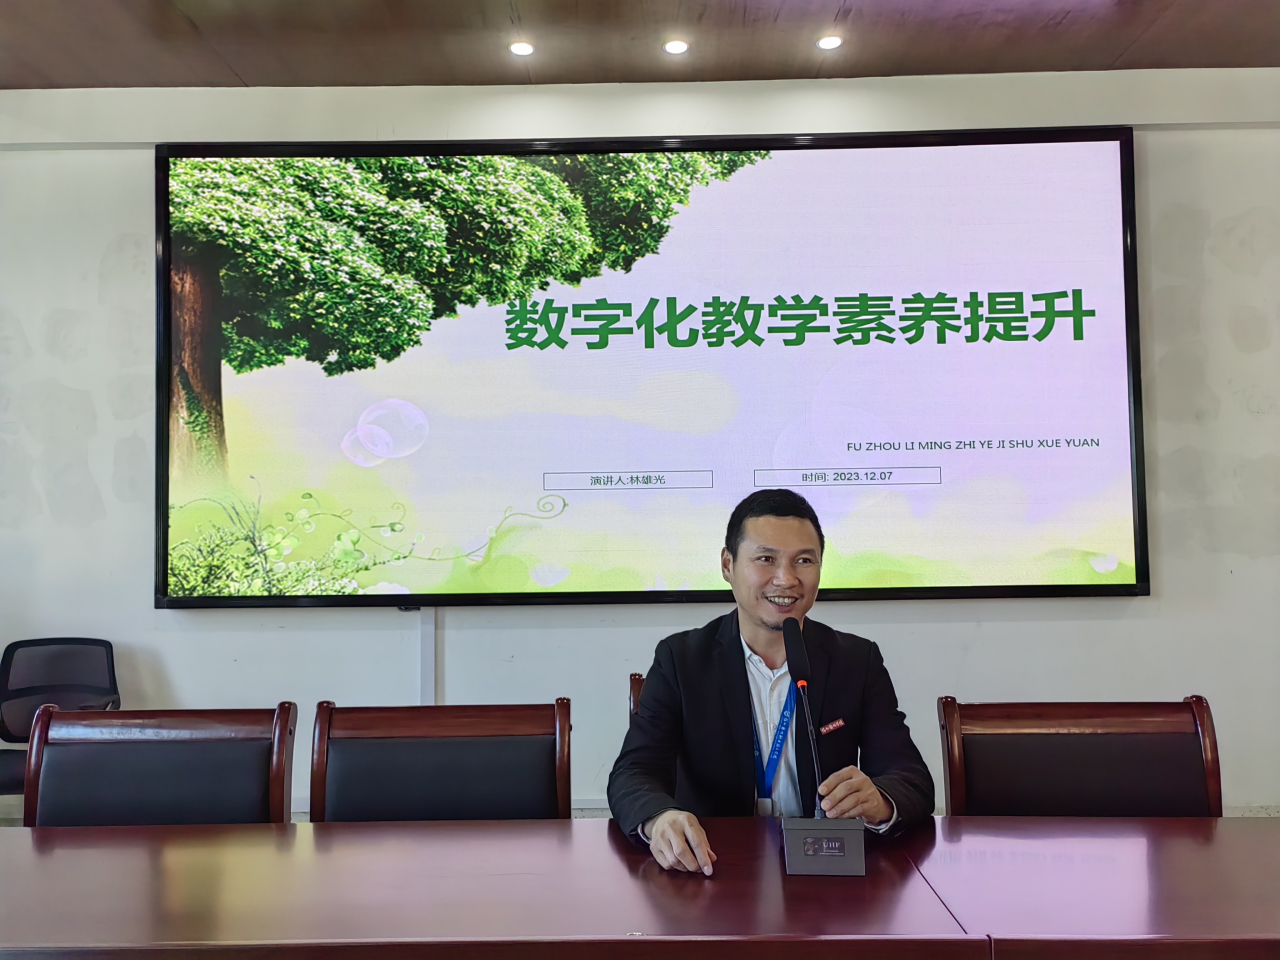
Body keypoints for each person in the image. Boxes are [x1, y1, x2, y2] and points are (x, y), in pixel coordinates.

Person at [608, 489, 934, 876]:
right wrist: (659, 818)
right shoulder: (682, 660)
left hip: (823, 873)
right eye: (766, 559)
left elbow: (910, 778)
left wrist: (880, 801)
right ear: (728, 565)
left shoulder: (855, 660)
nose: (786, 579)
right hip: (715, 866)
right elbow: (633, 772)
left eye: (804, 561)